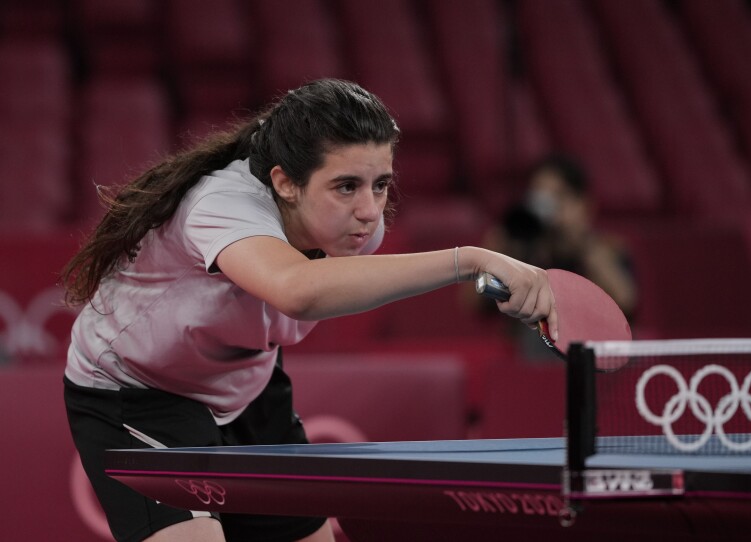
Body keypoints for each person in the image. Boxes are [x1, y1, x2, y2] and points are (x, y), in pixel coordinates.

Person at [60, 79, 556, 542]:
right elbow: (296, 289)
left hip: (246, 383)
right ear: (285, 183)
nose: (369, 210)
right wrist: (468, 260)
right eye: (346, 186)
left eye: (380, 184)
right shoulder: (221, 205)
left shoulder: (353, 227)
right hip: (139, 392)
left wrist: (499, 286)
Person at [481, 153, 637, 358]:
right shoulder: (524, 249)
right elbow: (475, 303)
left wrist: (581, 244)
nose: (549, 207)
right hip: (532, 365)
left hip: (592, 359)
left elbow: (626, 302)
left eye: (559, 196)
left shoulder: (604, 248)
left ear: (584, 204)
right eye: (539, 196)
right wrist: (497, 252)